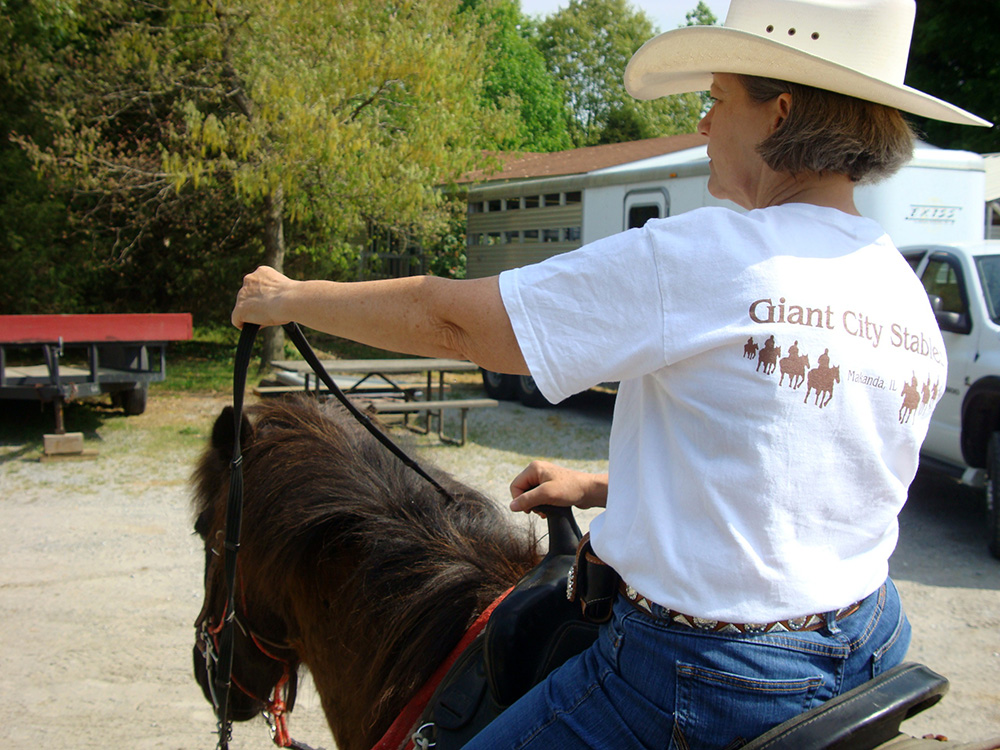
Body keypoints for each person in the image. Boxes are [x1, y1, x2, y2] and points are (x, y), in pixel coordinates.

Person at [231, 0, 989, 746]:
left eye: (717, 99)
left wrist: (287, 297)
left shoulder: (709, 252)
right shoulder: (897, 285)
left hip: (707, 672)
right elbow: (799, 482)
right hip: (870, 637)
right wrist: (600, 489)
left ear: (780, 113)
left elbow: (451, 320)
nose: (702, 123)